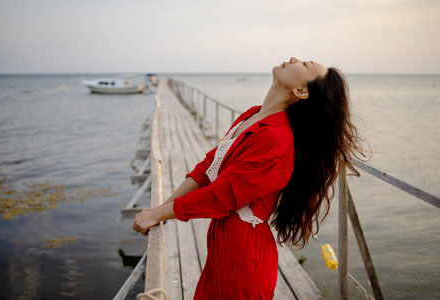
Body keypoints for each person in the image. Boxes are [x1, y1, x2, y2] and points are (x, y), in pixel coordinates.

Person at [133, 57, 365, 299]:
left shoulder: (276, 139)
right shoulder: (253, 115)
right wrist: (160, 209)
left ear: (300, 91)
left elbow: (220, 196)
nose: (295, 59)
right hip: (222, 245)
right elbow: (207, 168)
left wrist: (159, 214)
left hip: (244, 257)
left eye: (305, 65)